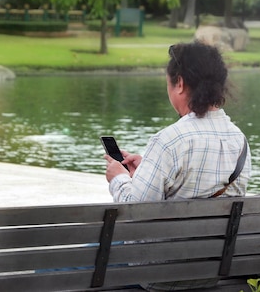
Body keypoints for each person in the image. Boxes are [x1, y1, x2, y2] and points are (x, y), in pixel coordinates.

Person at [104, 41, 251, 291]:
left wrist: (119, 178)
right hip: (210, 269)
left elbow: (135, 211)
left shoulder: (170, 140)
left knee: (54, 263)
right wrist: (148, 170)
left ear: (180, 83)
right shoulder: (240, 142)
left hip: (157, 272)